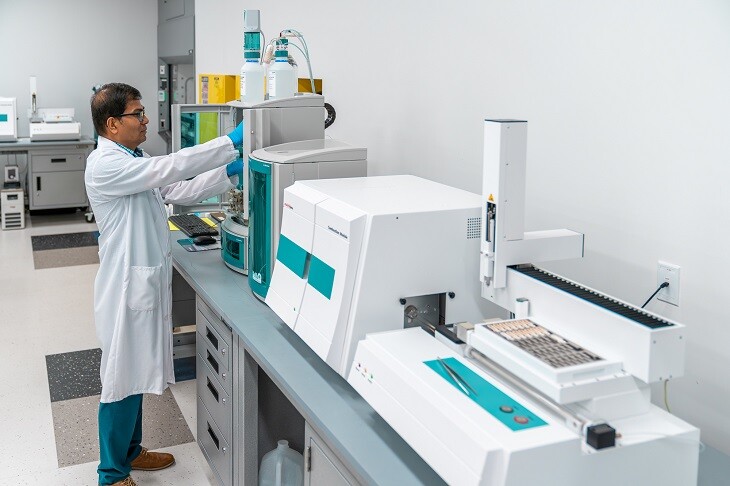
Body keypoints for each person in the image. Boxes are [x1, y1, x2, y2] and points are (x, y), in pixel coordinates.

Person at [85, 83, 244, 486]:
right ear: (112, 123)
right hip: (124, 288)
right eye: (137, 114)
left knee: (134, 371)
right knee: (120, 377)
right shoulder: (105, 164)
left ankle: (131, 452)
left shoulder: (132, 156)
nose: (145, 120)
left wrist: (227, 173)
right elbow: (168, 168)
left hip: (141, 280)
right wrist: (228, 142)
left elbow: (175, 189)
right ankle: (111, 473)